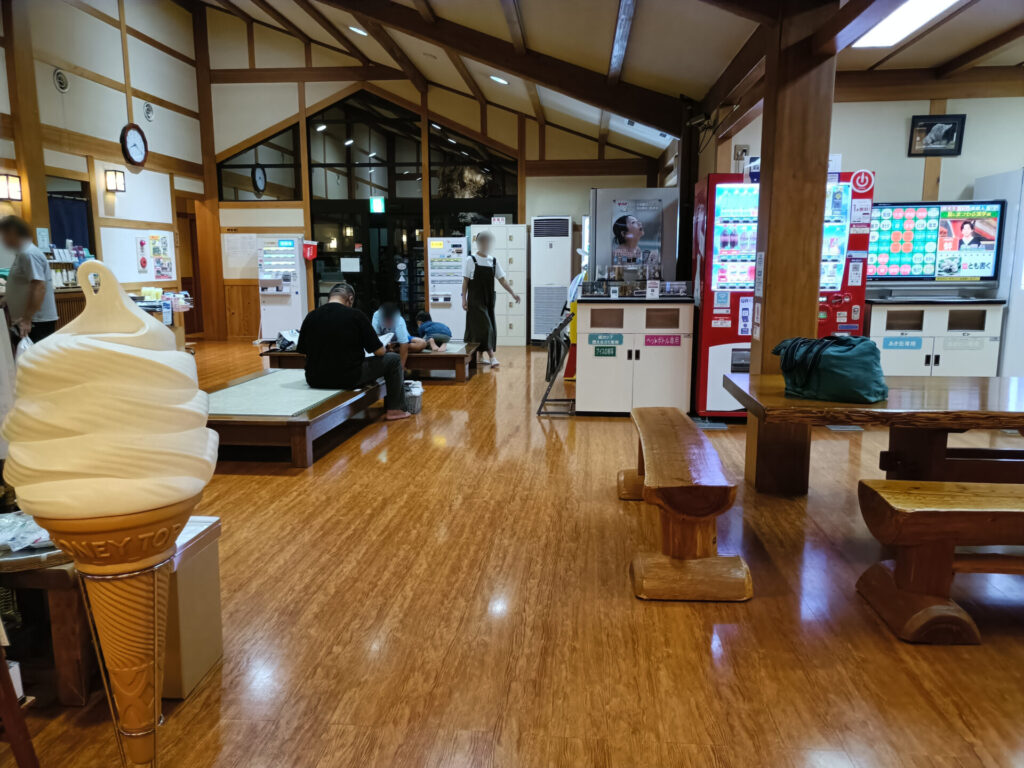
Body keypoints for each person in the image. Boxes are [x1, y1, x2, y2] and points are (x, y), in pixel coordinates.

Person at [297, 282, 410, 421]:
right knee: (393, 360)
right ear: (350, 299)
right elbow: (379, 352)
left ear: (329, 297)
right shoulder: (356, 315)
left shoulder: (311, 316)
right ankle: (395, 409)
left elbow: (302, 351)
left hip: (315, 379)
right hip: (348, 378)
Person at [462, 230, 519, 367]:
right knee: (486, 327)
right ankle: (492, 356)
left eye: (488, 242)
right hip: (475, 300)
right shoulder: (471, 260)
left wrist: (512, 293)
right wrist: (464, 300)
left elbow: (502, 280)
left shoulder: (493, 261)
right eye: (483, 242)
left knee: (485, 327)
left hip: (488, 299)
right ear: (478, 243)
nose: (486, 245)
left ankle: (480, 356)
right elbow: (465, 282)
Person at [0, 217, 58, 343]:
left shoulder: (29, 254)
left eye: (4, 236)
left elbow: (38, 286)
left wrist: (27, 319)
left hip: (36, 322)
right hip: (29, 320)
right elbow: (24, 285)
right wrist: (7, 299)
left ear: (13, 233)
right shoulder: (22, 253)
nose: (3, 240)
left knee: (35, 360)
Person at [370, 301, 423, 366]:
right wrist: (386, 344)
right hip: (384, 342)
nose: (388, 323)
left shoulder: (399, 319)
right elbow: (375, 336)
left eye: (390, 321)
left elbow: (404, 344)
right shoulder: (377, 315)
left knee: (422, 343)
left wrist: (401, 367)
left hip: (399, 342)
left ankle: (393, 350)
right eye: (386, 320)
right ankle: (389, 349)